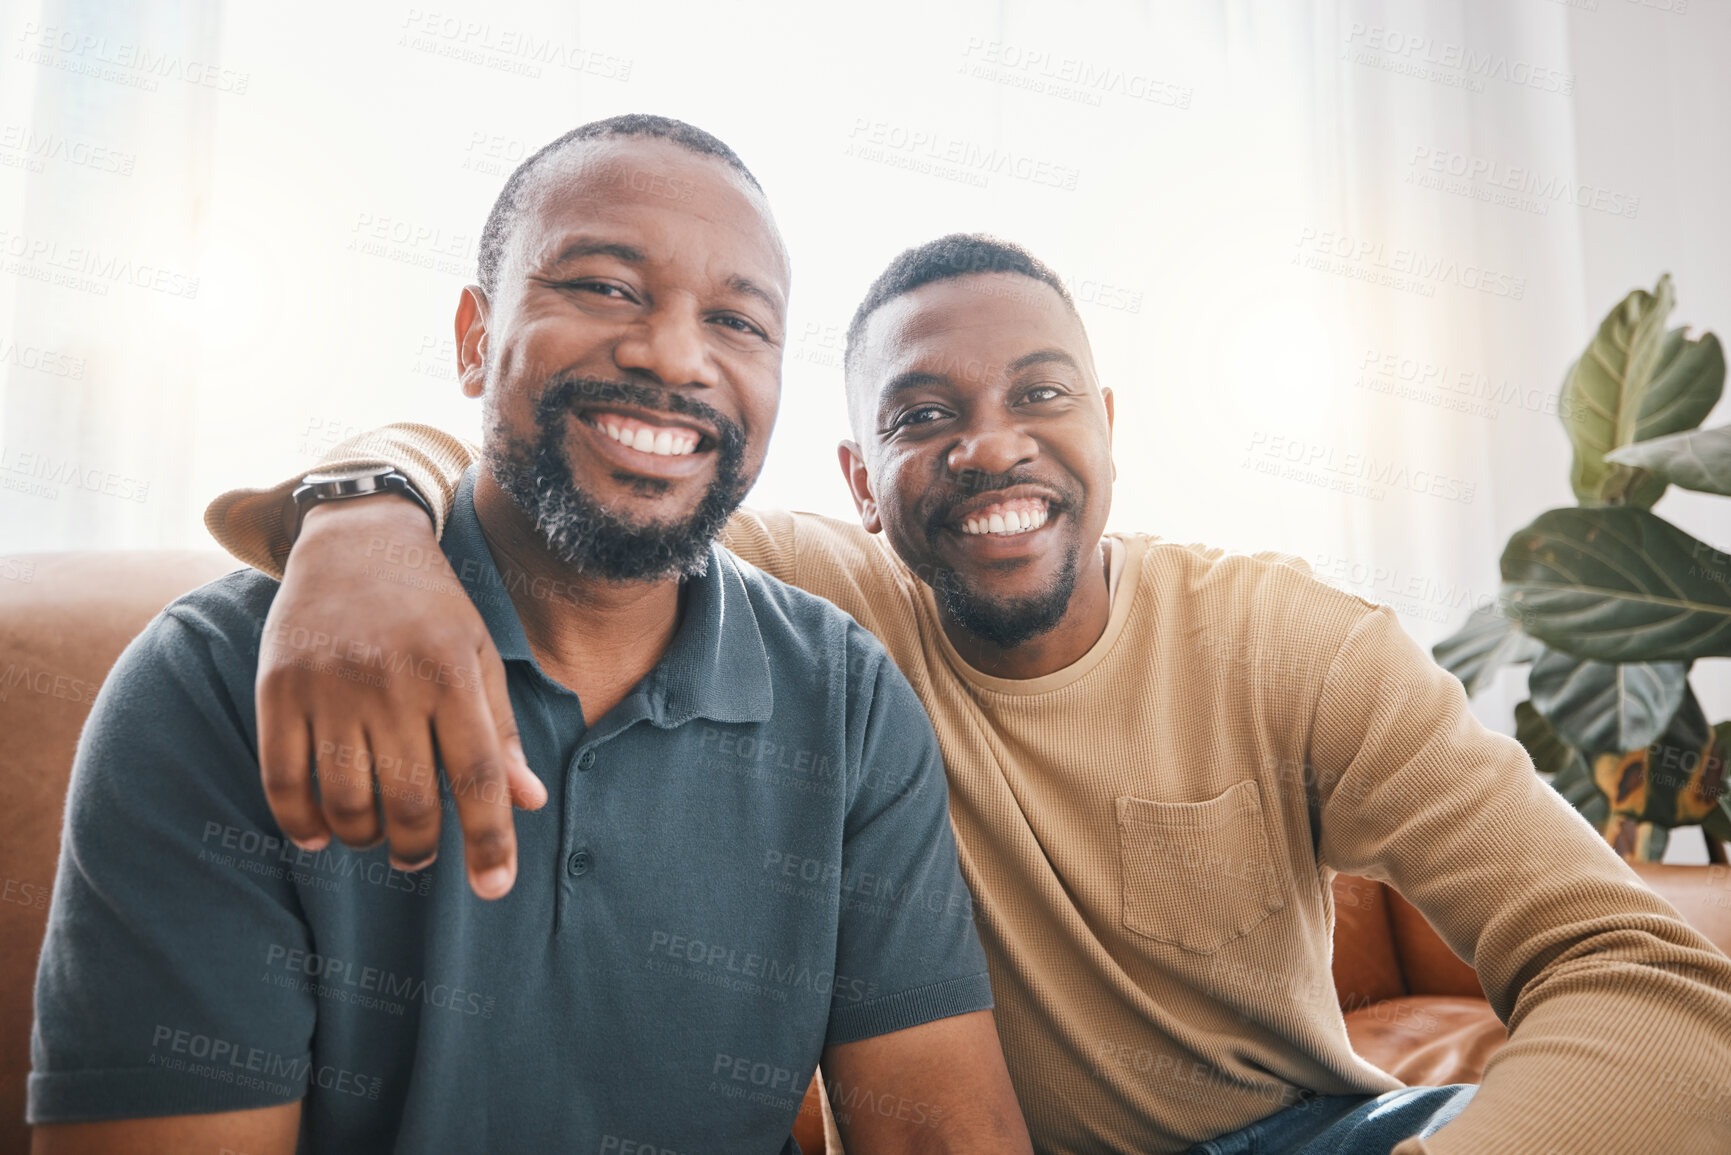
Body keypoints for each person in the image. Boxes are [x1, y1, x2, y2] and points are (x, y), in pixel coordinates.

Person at [203, 204, 1731, 1151]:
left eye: (1038, 394)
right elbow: (558, 468)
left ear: (1107, 425)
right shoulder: (823, 607)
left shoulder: (1299, 645)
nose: (989, 442)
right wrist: (359, 517)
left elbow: (1642, 972)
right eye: (925, 413)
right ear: (861, 478)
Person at [28, 116, 1033, 1155]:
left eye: (740, 323)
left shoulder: (849, 700)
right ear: (474, 339)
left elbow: (941, 1131)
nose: (674, 355)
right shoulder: (217, 683)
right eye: (604, 286)